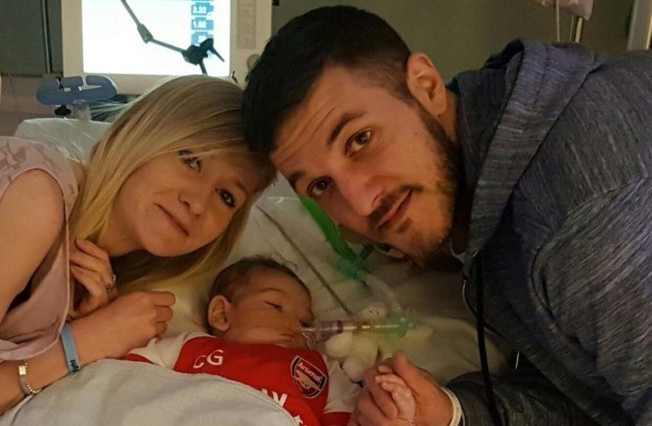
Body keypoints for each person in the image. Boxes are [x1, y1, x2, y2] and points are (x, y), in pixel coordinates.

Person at [242, 5, 651, 426]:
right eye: (321, 185)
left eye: (360, 139)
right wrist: (450, 411)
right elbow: (587, 389)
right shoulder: (488, 171)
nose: (361, 205)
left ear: (426, 86)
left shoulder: (583, 215)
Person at [0, 75, 276, 425]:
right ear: (141, 132)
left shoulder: (89, 268)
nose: (198, 202)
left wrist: (69, 324)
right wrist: (78, 345)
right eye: (190, 159)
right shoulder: (35, 198)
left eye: (227, 196)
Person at [125, 256, 416, 426]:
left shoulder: (321, 369)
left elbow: (352, 418)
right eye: (275, 306)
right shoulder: (192, 346)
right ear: (222, 314)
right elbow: (128, 379)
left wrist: (390, 406)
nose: (295, 326)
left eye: (306, 323)